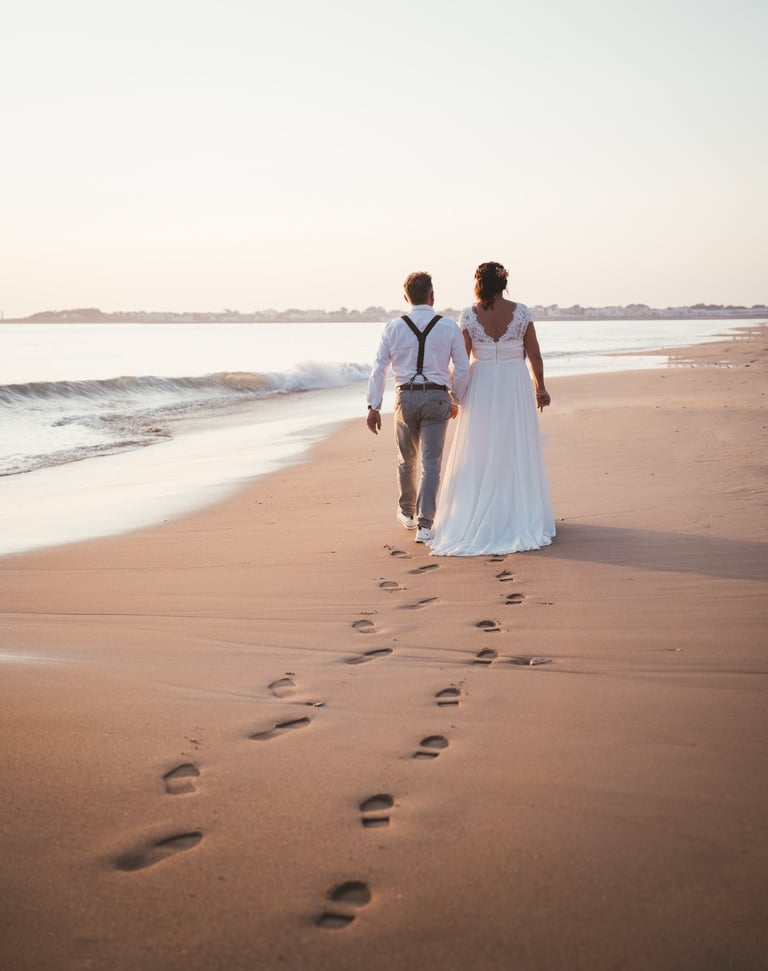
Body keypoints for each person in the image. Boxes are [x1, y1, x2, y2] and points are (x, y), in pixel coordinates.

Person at [429, 261, 555, 556]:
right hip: (514, 382)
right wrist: (540, 388)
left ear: (479, 284)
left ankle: (478, 513)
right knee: (515, 444)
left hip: (481, 382)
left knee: (480, 445)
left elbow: (461, 361)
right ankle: (517, 511)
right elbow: (535, 355)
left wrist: (455, 395)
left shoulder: (469, 314)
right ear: (504, 284)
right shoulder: (521, 312)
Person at [366, 271, 470, 544]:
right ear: (432, 296)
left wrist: (373, 406)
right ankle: (425, 525)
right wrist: (456, 398)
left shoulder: (392, 327)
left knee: (406, 459)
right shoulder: (448, 327)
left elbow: (379, 369)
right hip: (437, 397)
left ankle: (407, 512)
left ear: (406, 297)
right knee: (431, 463)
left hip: (406, 398)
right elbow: (461, 367)